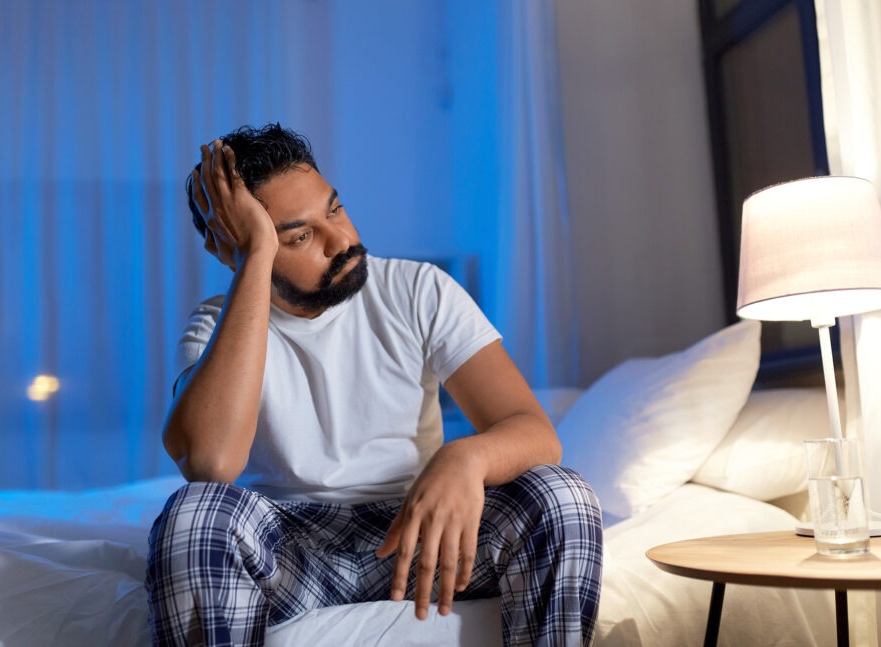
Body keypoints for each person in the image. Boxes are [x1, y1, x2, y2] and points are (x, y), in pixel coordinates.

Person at [145, 124, 603, 647]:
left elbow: (534, 432)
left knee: (562, 493)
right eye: (298, 236)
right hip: (290, 552)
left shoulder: (418, 289)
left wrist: (465, 459)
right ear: (232, 248)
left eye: (335, 209)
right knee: (195, 515)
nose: (342, 241)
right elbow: (210, 464)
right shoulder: (216, 327)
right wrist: (252, 259)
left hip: (421, 535)